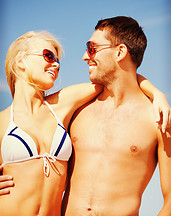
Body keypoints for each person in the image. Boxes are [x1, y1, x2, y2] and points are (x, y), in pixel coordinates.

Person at [0, 28, 170, 216]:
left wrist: (156, 93)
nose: (55, 65)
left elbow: (121, 76)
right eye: (48, 56)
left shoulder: (63, 105)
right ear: (21, 61)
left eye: (57, 61)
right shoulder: (3, 121)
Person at [61, 16, 171, 216]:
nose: (85, 56)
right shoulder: (76, 108)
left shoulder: (158, 118)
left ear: (120, 52)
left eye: (91, 47)